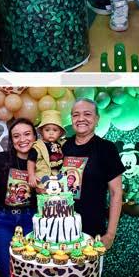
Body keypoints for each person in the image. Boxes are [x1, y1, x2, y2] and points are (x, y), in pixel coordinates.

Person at [58, 98, 124, 247]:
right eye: (76, 115)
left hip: (92, 232)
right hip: (60, 229)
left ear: (97, 119)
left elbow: (116, 193)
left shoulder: (106, 148)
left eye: (87, 114)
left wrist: (110, 234)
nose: (81, 119)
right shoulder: (62, 147)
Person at [0, 117, 37, 277]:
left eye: (27, 134)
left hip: (30, 219)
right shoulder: (1, 159)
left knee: (28, 269)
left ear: (35, 137)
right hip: (3, 219)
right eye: (16, 136)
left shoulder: (43, 163)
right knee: (7, 270)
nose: (22, 139)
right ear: (11, 140)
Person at [27, 110, 65, 187]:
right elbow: (31, 161)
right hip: (42, 178)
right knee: (42, 192)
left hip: (56, 178)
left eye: (55, 130)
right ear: (41, 131)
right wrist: (31, 175)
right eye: (47, 130)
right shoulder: (37, 146)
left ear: (60, 133)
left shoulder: (61, 144)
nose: (51, 133)